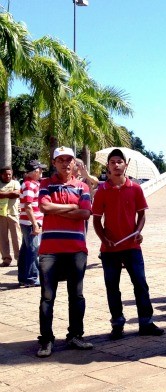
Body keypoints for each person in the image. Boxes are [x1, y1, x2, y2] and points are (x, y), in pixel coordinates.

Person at [92, 148, 164, 340]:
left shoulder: (135, 188)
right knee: (112, 287)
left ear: (126, 165)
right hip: (110, 248)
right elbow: (96, 220)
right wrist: (103, 238)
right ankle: (117, 323)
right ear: (108, 166)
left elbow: (142, 214)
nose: (116, 165)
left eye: (119, 161)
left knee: (140, 284)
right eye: (112, 162)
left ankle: (146, 322)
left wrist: (138, 232)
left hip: (132, 247)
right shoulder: (102, 190)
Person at [36, 146, 93, 357]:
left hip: (76, 249)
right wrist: (71, 208)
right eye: (60, 160)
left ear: (74, 163)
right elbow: (44, 208)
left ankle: (75, 335)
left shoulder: (82, 186)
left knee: (76, 295)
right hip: (50, 250)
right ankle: (46, 340)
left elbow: (86, 212)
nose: (65, 163)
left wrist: (57, 208)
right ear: (54, 163)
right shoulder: (45, 184)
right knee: (47, 297)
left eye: (69, 159)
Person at [18, 160, 46, 286]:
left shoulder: (31, 184)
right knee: (33, 251)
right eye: (40, 169)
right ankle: (32, 278)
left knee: (26, 250)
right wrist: (35, 223)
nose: (41, 172)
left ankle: (24, 277)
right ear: (35, 171)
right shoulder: (30, 185)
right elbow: (28, 206)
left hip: (28, 222)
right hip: (30, 223)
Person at [0, 166, 21, 267]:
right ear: (1, 174)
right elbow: (12, 194)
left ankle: (19, 258)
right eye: (5, 174)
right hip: (1, 214)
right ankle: (6, 259)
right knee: (2, 238)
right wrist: (10, 193)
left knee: (16, 237)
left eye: (9, 174)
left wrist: (3, 193)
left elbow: (17, 194)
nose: (8, 176)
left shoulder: (15, 183)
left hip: (13, 213)